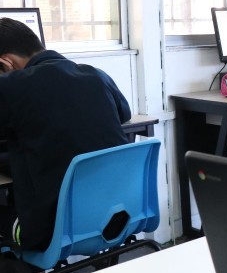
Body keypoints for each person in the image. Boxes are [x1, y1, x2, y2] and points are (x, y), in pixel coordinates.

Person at [0, 18, 131, 251]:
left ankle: (23, 272)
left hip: (50, 231)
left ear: (6, 62)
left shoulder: (11, 86)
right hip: (117, 215)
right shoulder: (96, 75)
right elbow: (124, 114)